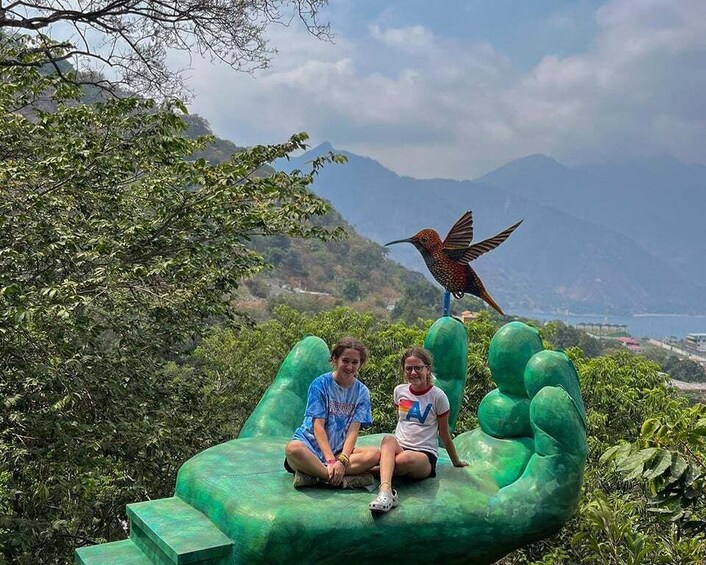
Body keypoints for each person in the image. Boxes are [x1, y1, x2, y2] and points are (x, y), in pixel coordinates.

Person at [369, 346, 468, 513]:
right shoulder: (399, 391)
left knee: (403, 459)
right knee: (387, 439)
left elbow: (444, 433)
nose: (413, 372)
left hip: (423, 456)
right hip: (400, 447)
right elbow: (402, 421)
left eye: (418, 368)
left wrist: (456, 461)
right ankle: (386, 492)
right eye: (409, 368)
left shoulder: (438, 397)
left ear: (427, 369)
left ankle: (370, 472)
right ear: (403, 370)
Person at [284, 337, 380, 488]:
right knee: (292, 449)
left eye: (355, 362)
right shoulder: (320, 384)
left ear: (360, 364)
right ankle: (340, 480)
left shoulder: (362, 392)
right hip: (308, 448)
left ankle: (313, 476)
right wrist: (330, 462)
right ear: (335, 359)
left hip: (337, 451)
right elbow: (318, 427)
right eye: (345, 361)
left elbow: (353, 431)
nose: (349, 366)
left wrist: (342, 460)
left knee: (374, 454)